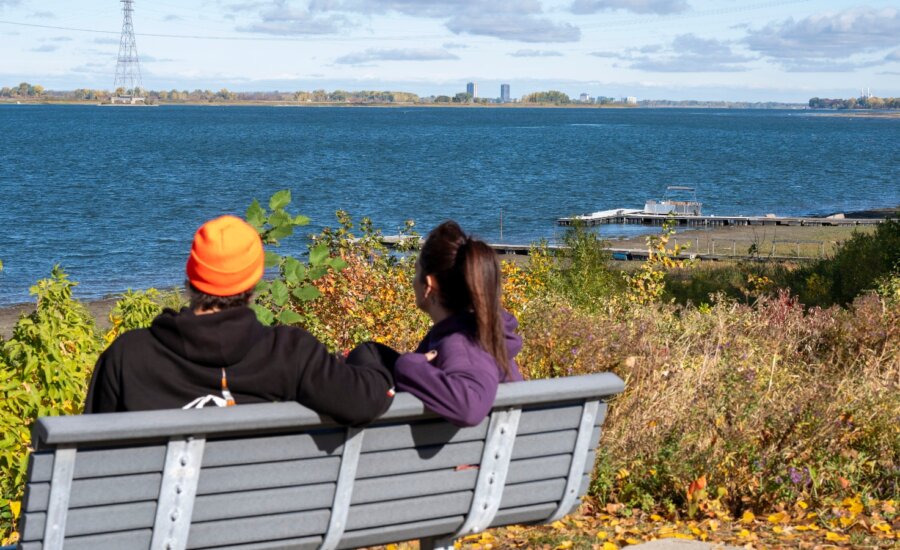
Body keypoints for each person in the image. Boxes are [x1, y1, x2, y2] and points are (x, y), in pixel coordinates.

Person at [84, 215, 394, 426]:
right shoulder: (289, 353)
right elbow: (366, 400)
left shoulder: (128, 356)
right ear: (254, 284)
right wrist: (370, 356)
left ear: (190, 279)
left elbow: (90, 453)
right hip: (257, 516)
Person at [391, 220, 523, 427]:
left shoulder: (463, 345)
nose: (412, 282)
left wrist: (407, 366)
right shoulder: (479, 335)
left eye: (416, 272)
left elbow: (469, 408)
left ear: (429, 285)